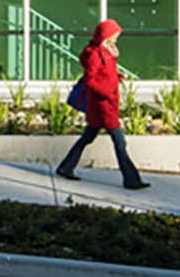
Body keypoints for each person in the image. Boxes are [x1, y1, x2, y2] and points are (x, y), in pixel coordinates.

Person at [55, 19, 149, 190]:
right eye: (114, 36)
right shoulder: (94, 54)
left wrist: (117, 75)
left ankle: (65, 167)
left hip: (106, 105)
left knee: (87, 138)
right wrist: (107, 92)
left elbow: (104, 73)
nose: (116, 39)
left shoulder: (105, 52)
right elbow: (91, 80)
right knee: (120, 142)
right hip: (103, 106)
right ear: (106, 36)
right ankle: (131, 180)